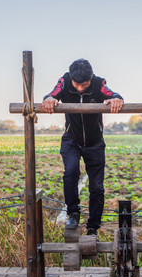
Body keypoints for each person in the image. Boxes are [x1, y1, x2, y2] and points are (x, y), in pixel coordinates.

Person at [42, 59, 124, 236]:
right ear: (71, 78)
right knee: (70, 172)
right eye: (76, 85)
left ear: (91, 78)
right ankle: (74, 213)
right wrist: (48, 99)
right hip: (72, 140)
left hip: (95, 142)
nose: (80, 88)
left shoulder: (98, 83)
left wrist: (117, 99)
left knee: (96, 187)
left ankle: (93, 227)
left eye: (84, 84)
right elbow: (52, 94)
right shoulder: (64, 82)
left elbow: (112, 93)